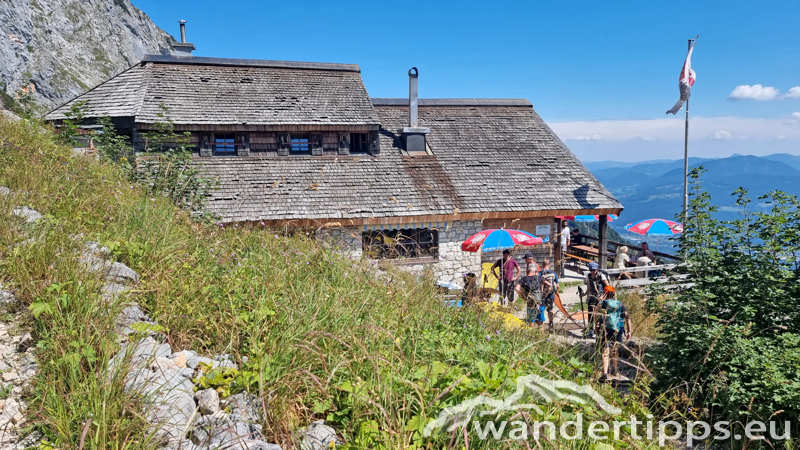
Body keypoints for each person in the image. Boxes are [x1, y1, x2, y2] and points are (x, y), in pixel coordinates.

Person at [597, 286, 632, 382]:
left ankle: (604, 373)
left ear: (605, 294)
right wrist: (629, 331)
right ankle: (614, 369)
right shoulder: (620, 304)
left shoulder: (604, 303)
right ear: (614, 294)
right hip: (618, 330)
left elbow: (596, 313)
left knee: (605, 350)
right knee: (614, 348)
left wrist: (599, 301)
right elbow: (628, 317)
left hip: (606, 330)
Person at [584, 262, 609, 338]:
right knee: (590, 313)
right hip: (593, 296)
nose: (593, 272)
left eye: (594, 270)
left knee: (600, 314)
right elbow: (590, 287)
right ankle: (590, 330)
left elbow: (608, 287)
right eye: (591, 270)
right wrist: (585, 294)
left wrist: (603, 295)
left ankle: (600, 330)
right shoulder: (589, 276)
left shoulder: (601, 276)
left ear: (596, 270)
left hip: (601, 296)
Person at [539, 259, 559, 329]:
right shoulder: (554, 273)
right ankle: (551, 323)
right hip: (551, 294)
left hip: (542, 294)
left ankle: (542, 324)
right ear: (549, 266)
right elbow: (558, 285)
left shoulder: (540, 273)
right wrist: (556, 292)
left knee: (541, 309)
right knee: (550, 309)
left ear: (542, 265)